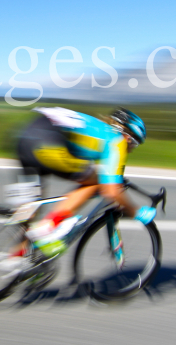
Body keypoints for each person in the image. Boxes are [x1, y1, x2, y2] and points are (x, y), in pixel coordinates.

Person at [15, 106, 154, 258]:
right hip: (46, 143)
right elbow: (111, 190)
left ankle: (15, 260)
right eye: (134, 143)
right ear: (127, 136)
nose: (132, 149)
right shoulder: (117, 140)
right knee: (97, 182)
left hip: (25, 137)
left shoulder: (97, 128)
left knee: (31, 210)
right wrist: (136, 212)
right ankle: (49, 227)